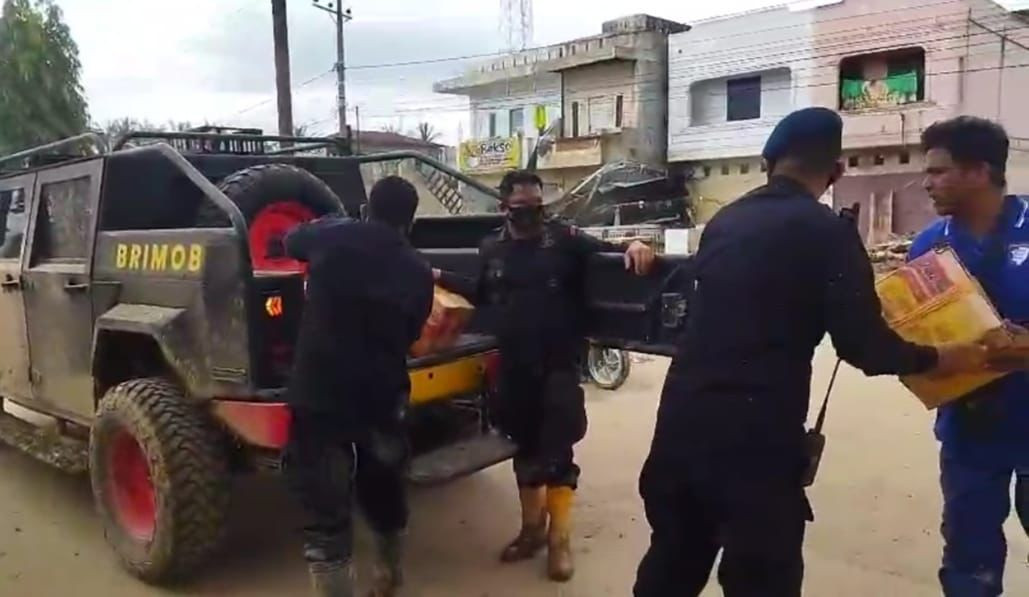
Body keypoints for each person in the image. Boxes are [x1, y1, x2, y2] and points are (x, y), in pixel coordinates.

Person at [632, 107, 989, 597]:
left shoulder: (725, 222)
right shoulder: (828, 234)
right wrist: (942, 357)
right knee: (763, 581)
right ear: (836, 171)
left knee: (669, 569)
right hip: (757, 446)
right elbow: (864, 346)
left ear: (767, 162)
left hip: (678, 432)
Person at [436, 169, 656, 582]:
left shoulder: (566, 241)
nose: (532, 217)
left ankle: (560, 543)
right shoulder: (492, 249)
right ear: (504, 208)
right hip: (515, 369)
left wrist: (636, 245)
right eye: (522, 209)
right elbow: (480, 293)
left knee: (557, 456)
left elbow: (610, 253)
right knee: (524, 452)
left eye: (538, 207)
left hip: (558, 367)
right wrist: (438, 277)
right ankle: (532, 531)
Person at [282, 176, 434, 597]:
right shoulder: (419, 271)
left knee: (326, 514)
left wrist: (331, 224)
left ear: (368, 208)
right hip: (382, 396)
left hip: (321, 395)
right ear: (411, 221)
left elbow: (290, 241)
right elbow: (410, 336)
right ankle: (388, 575)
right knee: (384, 488)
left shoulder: (334, 237)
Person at [910, 116, 1029, 597]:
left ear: (980, 171)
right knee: (968, 561)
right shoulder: (927, 246)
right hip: (968, 435)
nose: (927, 182)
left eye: (939, 171)